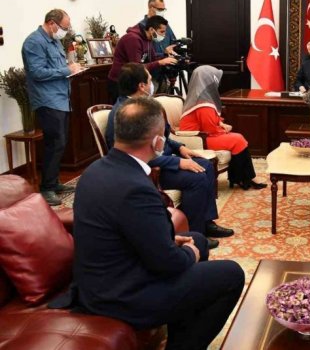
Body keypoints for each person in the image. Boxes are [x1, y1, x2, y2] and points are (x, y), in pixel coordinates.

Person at [74, 96, 244, 350]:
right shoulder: (136, 188)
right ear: (157, 142)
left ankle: (181, 331)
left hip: (104, 278)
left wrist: (173, 241)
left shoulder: (94, 170)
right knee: (231, 274)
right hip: (121, 296)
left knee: (197, 238)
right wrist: (189, 253)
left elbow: (124, 230)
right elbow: (167, 263)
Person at [106, 63, 233, 248]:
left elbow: (164, 137)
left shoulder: (143, 106)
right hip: (151, 170)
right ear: (141, 86)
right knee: (196, 178)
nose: (152, 84)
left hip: (164, 159)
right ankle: (194, 232)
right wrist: (177, 163)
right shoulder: (126, 114)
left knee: (205, 165)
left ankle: (206, 222)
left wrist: (180, 148)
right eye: (150, 80)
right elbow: (135, 155)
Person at [21, 9, 82, 206]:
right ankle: (46, 188)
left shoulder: (54, 41)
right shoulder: (34, 42)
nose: (66, 31)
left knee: (60, 143)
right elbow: (37, 72)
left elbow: (57, 67)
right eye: (64, 27)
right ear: (51, 23)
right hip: (47, 100)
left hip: (61, 98)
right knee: (54, 143)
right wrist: (66, 70)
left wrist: (71, 69)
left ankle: (54, 182)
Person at [180, 65, 267, 190]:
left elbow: (209, 121)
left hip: (201, 136)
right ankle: (246, 177)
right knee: (238, 140)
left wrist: (221, 124)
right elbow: (210, 129)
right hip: (198, 139)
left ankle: (243, 177)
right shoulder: (203, 103)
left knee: (237, 139)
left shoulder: (199, 98)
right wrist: (224, 129)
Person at [107, 15, 177, 103]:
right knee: (125, 110)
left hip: (132, 80)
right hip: (120, 82)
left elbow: (153, 58)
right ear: (151, 30)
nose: (164, 35)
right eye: (162, 32)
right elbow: (136, 68)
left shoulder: (148, 39)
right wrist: (160, 62)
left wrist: (166, 55)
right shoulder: (133, 39)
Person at [141, 0, 177, 94]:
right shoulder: (143, 27)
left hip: (165, 75)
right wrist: (162, 56)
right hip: (150, 76)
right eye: (160, 9)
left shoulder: (165, 25)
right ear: (151, 8)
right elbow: (144, 56)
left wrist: (172, 51)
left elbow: (173, 42)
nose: (162, 12)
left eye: (164, 9)